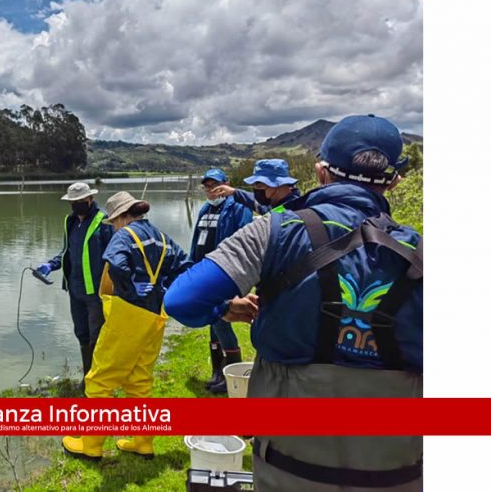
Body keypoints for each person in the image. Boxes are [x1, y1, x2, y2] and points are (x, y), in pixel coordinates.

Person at [164, 114, 423, 491]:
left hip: (289, 468)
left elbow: (183, 299)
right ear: (395, 181)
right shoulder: (421, 252)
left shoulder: (276, 230)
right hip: (395, 471)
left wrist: (224, 309)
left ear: (320, 173)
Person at [62, 191, 190, 461]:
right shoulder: (162, 236)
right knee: (139, 379)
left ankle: (91, 445)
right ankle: (142, 442)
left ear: (120, 216)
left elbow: (116, 265)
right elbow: (185, 265)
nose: (114, 225)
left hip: (128, 315)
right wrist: (159, 287)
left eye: (113, 221)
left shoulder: (123, 234)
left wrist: (132, 289)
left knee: (99, 379)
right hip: (155, 316)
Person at [36, 182, 114, 385]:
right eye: (73, 202)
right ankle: (88, 376)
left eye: (81, 201)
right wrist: (51, 265)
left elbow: (115, 255)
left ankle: (99, 380)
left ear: (90, 199)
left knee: (97, 336)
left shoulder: (103, 221)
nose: (77, 204)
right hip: (75, 290)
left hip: (97, 292)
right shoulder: (70, 222)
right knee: (82, 333)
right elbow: (67, 252)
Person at [191, 168, 254, 393]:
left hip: (225, 273)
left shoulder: (239, 208)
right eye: (207, 186)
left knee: (221, 321)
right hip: (204, 272)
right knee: (212, 321)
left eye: (215, 184)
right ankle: (217, 372)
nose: (211, 190)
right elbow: (196, 241)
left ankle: (231, 373)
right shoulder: (205, 209)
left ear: (226, 184)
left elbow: (245, 239)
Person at [213, 158, 303, 215]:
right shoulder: (278, 206)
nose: (256, 190)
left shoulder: (292, 212)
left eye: (259, 185)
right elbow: (258, 205)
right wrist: (234, 192)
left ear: (277, 185)